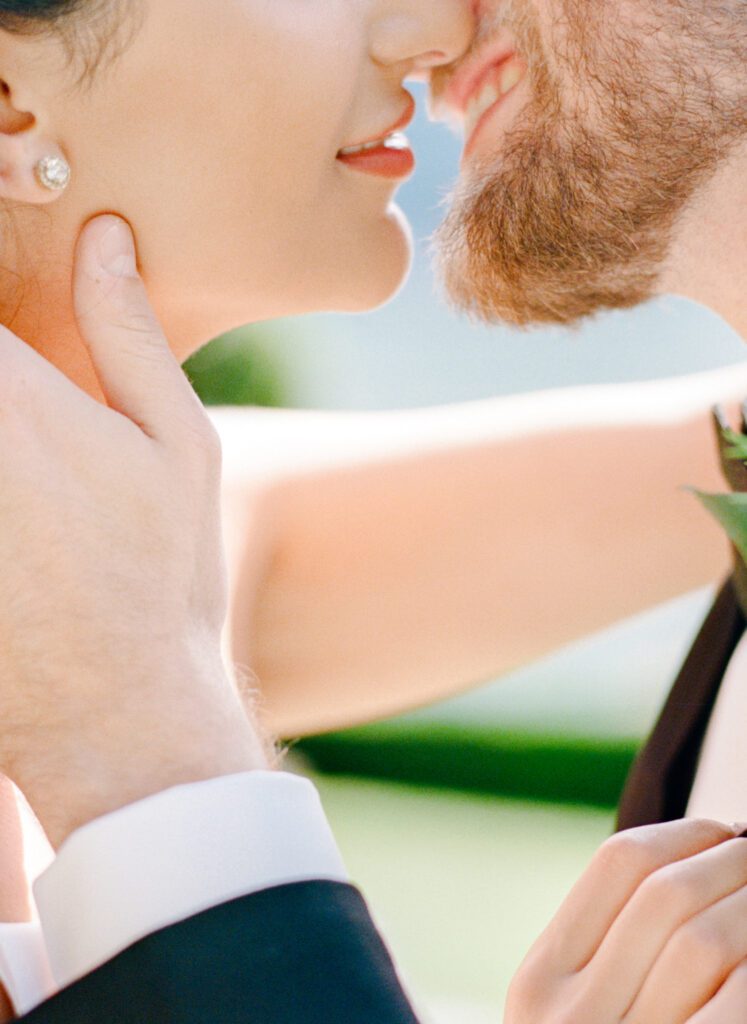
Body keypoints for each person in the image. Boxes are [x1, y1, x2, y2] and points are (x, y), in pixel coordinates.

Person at [0, 0, 742, 1022]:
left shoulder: (139, 554)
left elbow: (709, 453)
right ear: (7, 108)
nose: (436, 26)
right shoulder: (116, 629)